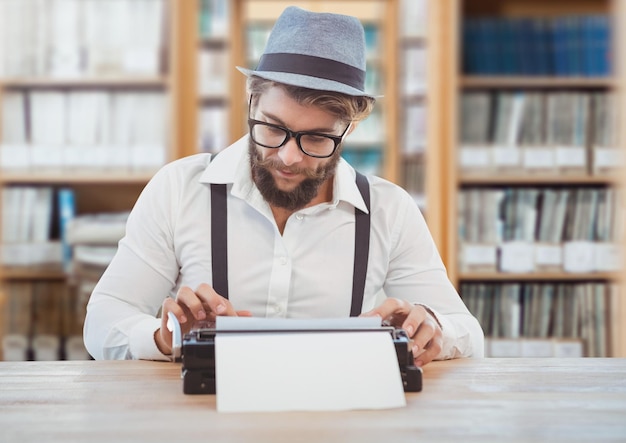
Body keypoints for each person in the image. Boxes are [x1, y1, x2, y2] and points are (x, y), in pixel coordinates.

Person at [83, 6, 484, 365]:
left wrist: (434, 329)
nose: (290, 157)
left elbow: (469, 334)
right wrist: (161, 337)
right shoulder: (177, 190)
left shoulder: (389, 210)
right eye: (273, 128)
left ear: (349, 129)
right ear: (251, 100)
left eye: (316, 138)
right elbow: (104, 320)